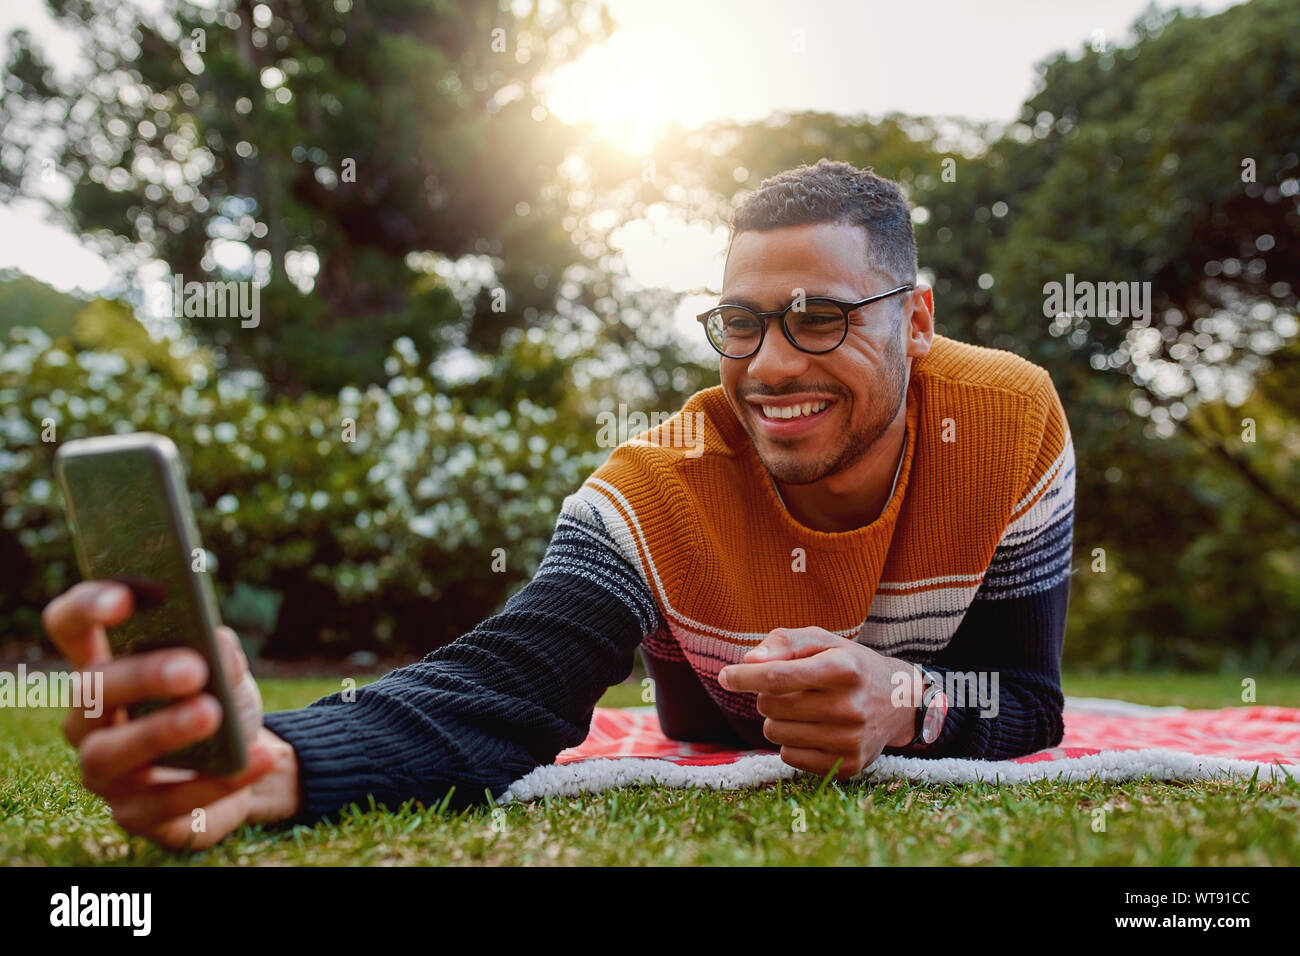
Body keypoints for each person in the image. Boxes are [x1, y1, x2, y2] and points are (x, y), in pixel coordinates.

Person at [41, 159, 1075, 850]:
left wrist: (906, 701)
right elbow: (508, 686)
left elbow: (1027, 700)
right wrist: (279, 760)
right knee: (694, 716)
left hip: (909, 678)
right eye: (740, 322)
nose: (767, 365)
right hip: (709, 710)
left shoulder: (1008, 419)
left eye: (817, 318)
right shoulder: (657, 481)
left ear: (918, 318)